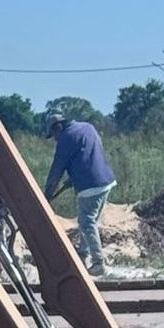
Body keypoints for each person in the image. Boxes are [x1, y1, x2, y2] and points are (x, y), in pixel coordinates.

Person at [43, 112, 116, 276]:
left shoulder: (65, 138)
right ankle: (83, 256)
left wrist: (46, 195)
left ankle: (98, 263)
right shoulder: (87, 127)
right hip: (106, 181)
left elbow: (56, 171)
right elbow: (88, 153)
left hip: (90, 186)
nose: (55, 139)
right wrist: (74, 177)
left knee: (86, 222)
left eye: (54, 135)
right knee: (89, 221)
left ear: (58, 127)